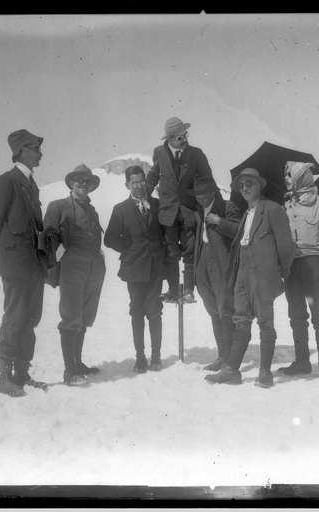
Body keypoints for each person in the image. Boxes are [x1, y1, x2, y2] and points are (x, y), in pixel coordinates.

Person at [205, 168, 295, 388]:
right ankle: (231, 371)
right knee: (241, 320)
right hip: (242, 274)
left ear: (258, 185)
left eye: (248, 184)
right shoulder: (246, 214)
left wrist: (280, 273)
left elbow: (286, 247)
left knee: (265, 320)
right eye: (241, 186)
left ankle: (265, 373)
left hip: (263, 274)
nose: (244, 188)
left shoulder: (273, 210)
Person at [0, 129, 48, 397]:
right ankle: (5, 378)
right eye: (36, 149)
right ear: (22, 151)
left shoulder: (30, 184)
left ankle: (22, 373)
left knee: (30, 319)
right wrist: (4, 258)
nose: (41, 153)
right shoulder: (6, 181)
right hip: (15, 265)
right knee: (14, 318)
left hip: (33, 266)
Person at [43, 165, 106, 386]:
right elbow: (49, 235)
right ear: (71, 183)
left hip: (94, 268)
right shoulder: (58, 206)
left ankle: (78, 363)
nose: (83, 184)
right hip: (71, 267)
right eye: (79, 179)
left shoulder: (92, 210)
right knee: (71, 316)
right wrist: (62, 257)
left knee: (85, 316)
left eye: (88, 181)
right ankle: (69, 371)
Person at [279, 161, 319, 381]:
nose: (286, 179)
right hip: (292, 267)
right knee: (296, 315)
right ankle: (302, 362)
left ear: (301, 177)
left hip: (315, 265)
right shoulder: (286, 206)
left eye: (290, 175)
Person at [105, 165, 167, 373]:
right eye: (134, 183)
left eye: (142, 181)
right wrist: (129, 249)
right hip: (134, 269)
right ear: (127, 185)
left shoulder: (157, 205)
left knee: (155, 311)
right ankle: (140, 358)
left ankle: (156, 357)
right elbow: (109, 239)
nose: (139, 186)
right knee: (137, 311)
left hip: (155, 267)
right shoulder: (120, 209)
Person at [145, 117, 213, 304]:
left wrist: (212, 202)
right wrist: (144, 195)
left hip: (189, 212)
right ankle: (174, 291)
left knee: (190, 252)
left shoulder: (196, 154)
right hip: (167, 213)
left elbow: (208, 179)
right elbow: (152, 176)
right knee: (171, 252)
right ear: (170, 139)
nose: (185, 139)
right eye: (180, 137)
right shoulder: (159, 153)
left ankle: (189, 291)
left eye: (185, 135)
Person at [188, 176, 241, 371]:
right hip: (202, 261)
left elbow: (239, 232)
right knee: (213, 310)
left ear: (213, 192)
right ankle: (221, 355)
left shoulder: (227, 207)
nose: (200, 198)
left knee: (225, 309)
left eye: (204, 195)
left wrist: (219, 221)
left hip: (221, 263)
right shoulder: (198, 211)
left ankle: (228, 358)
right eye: (197, 195)